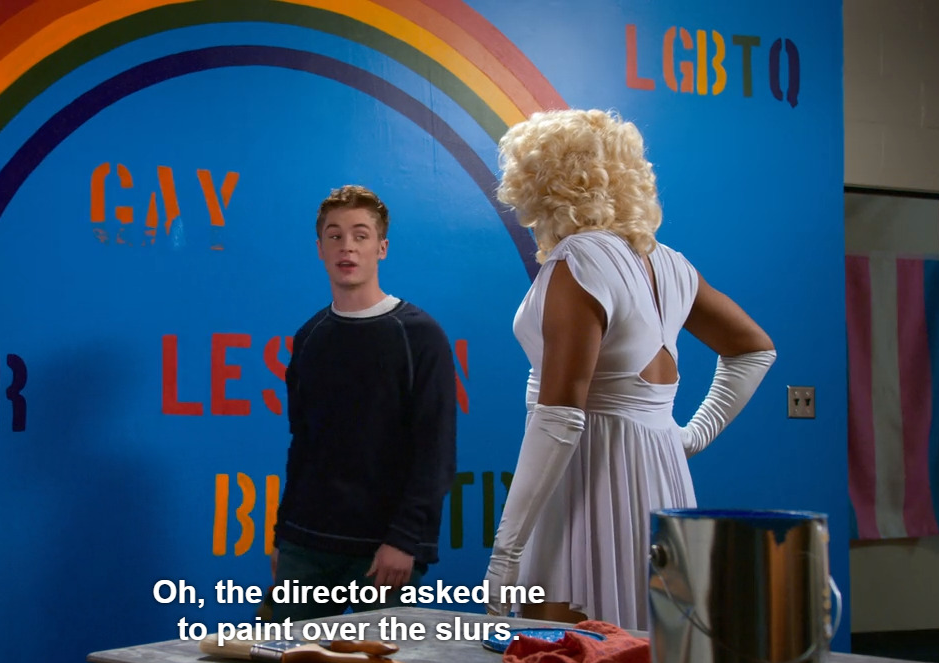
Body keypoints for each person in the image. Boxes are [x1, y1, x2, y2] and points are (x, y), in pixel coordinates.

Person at [482, 109, 776, 630]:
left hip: (587, 479)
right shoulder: (670, 263)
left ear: (541, 182)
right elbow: (754, 349)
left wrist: (507, 552)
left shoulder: (579, 259)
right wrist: (690, 437)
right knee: (659, 649)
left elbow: (559, 418)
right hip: (663, 479)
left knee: (571, 659)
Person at [263, 184, 457, 623]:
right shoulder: (310, 337)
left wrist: (405, 540)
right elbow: (303, 445)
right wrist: (283, 537)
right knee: (283, 660)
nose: (346, 246)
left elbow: (436, 450)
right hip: (306, 545)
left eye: (360, 235)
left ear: (381, 248)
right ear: (320, 249)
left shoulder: (419, 336)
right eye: (334, 235)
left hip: (385, 549)